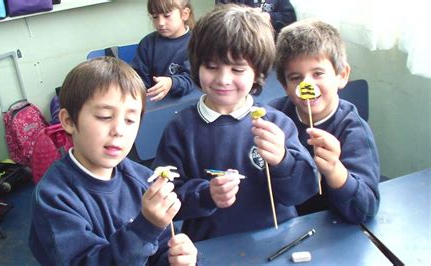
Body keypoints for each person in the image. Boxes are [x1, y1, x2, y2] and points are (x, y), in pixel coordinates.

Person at [152, 4, 317, 242]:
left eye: (238, 69)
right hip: (210, 248)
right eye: (211, 67)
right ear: (196, 65)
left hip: (277, 241)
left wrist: (283, 160)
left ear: (257, 71)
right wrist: (206, 195)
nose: (223, 79)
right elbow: (167, 197)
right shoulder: (180, 128)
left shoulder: (277, 124)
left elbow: (304, 191)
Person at [28, 57, 198, 265]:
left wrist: (176, 259)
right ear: (69, 121)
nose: (119, 130)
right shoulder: (54, 196)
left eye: (130, 120)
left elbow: (161, 247)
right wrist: (146, 227)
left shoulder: (144, 179)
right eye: (104, 116)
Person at [269, 19, 380, 224]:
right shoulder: (274, 117)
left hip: (332, 229)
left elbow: (365, 209)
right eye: (295, 77)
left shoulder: (353, 130)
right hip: (282, 226)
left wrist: (334, 170)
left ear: (342, 75)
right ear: (284, 85)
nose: (307, 85)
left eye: (318, 73)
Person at [131, 0, 196, 102]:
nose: (160, 23)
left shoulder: (196, 43)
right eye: (155, 17)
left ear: (185, 14)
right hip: (153, 104)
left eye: (167, 15)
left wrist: (171, 83)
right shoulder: (147, 43)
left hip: (183, 104)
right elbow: (138, 79)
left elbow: (192, 79)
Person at [214, 0, 297, 33]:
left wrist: (269, 17)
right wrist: (246, 15)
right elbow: (220, 16)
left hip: (268, 47)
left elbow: (290, 17)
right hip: (237, 42)